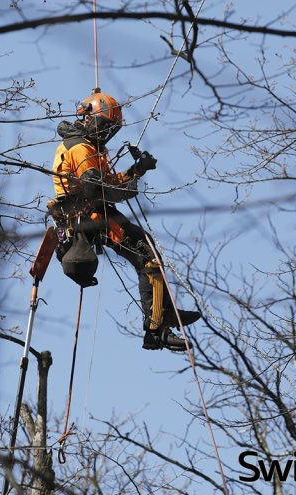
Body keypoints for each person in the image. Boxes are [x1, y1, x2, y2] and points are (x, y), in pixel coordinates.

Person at [47, 89, 200, 352]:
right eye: (105, 125)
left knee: (148, 249)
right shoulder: (81, 149)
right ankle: (156, 331)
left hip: (94, 213)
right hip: (88, 217)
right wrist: (129, 184)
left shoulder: (90, 148)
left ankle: (164, 311)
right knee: (146, 256)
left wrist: (136, 170)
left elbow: (107, 183)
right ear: (89, 119)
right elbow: (96, 189)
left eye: (111, 128)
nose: (107, 133)